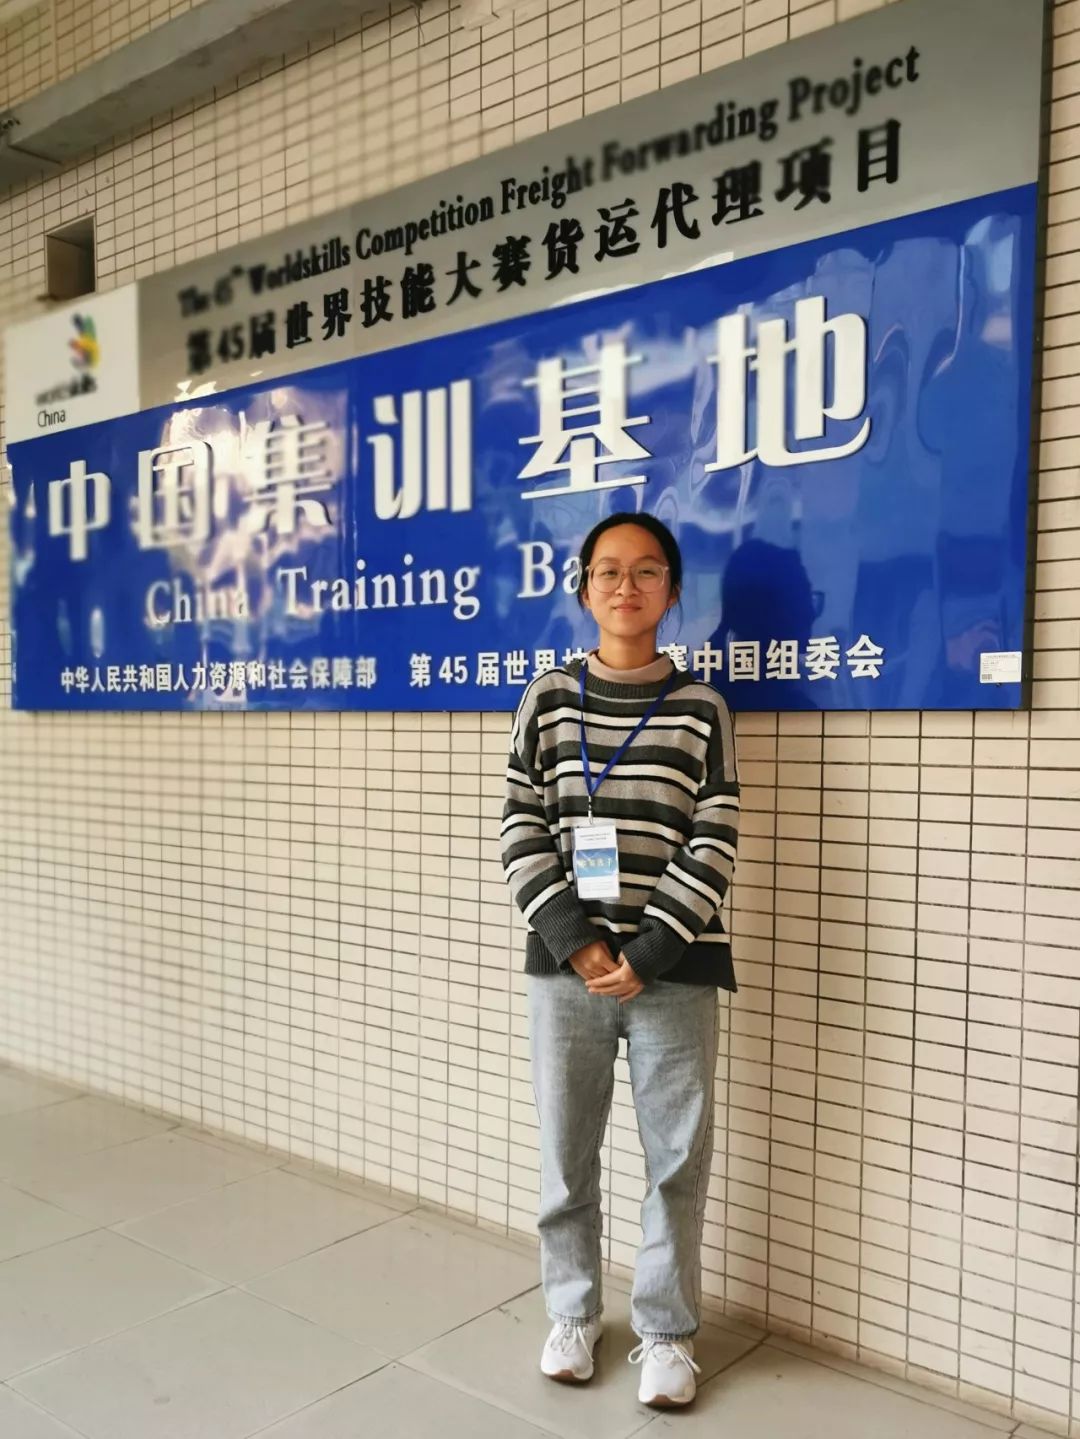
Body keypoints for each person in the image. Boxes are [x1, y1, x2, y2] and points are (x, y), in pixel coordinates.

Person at [500, 511, 740, 1409]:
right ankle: (571, 1314)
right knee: (566, 1154)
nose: (625, 586)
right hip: (566, 969)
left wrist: (650, 949)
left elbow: (716, 837)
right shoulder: (547, 698)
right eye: (608, 570)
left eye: (646, 571)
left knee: (676, 1159)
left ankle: (667, 1333)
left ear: (671, 591)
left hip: (676, 970)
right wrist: (579, 939)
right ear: (584, 588)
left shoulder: (703, 708)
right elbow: (520, 823)